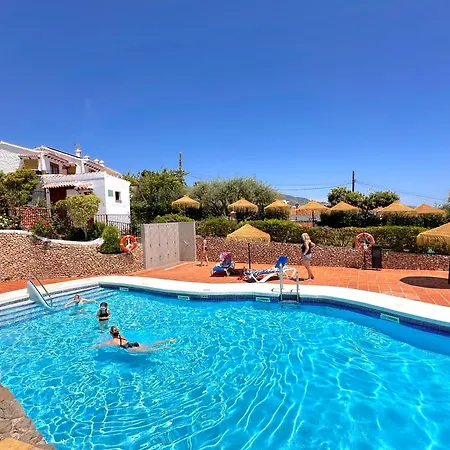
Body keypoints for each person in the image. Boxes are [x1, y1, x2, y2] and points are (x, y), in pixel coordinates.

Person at [91, 326, 177, 353]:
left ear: (111, 333)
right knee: (150, 345)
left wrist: (90, 347)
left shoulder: (112, 341)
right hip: (134, 343)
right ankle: (167, 340)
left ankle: (163, 348)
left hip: (130, 348)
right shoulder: (121, 336)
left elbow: (100, 345)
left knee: (148, 351)